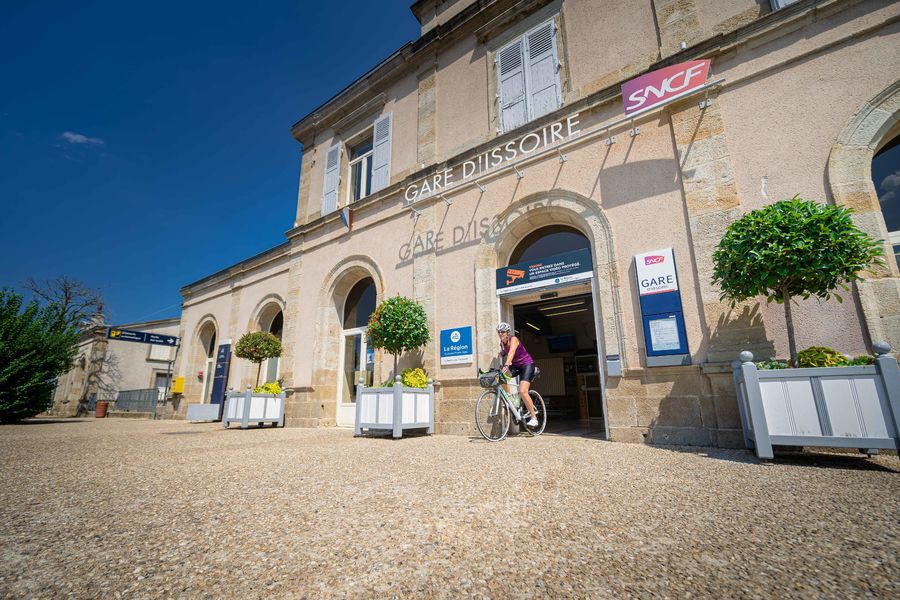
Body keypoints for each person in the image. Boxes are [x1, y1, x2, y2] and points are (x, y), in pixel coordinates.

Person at [496, 322, 539, 428]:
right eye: (499, 332)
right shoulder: (502, 343)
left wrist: (506, 363)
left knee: (523, 391)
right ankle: (510, 400)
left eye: (503, 332)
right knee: (500, 378)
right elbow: (506, 351)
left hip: (527, 365)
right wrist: (502, 353)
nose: (501, 334)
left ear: (507, 333)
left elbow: (511, 352)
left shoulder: (513, 339)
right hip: (516, 366)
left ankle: (534, 418)